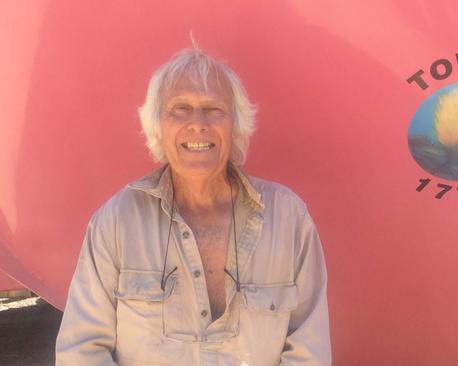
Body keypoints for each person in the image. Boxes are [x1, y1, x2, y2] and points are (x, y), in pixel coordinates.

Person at [55, 48, 331, 365]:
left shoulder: (288, 218)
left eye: (214, 109)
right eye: (180, 109)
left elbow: (309, 353)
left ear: (236, 124)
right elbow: (81, 351)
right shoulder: (116, 222)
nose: (197, 124)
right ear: (157, 125)